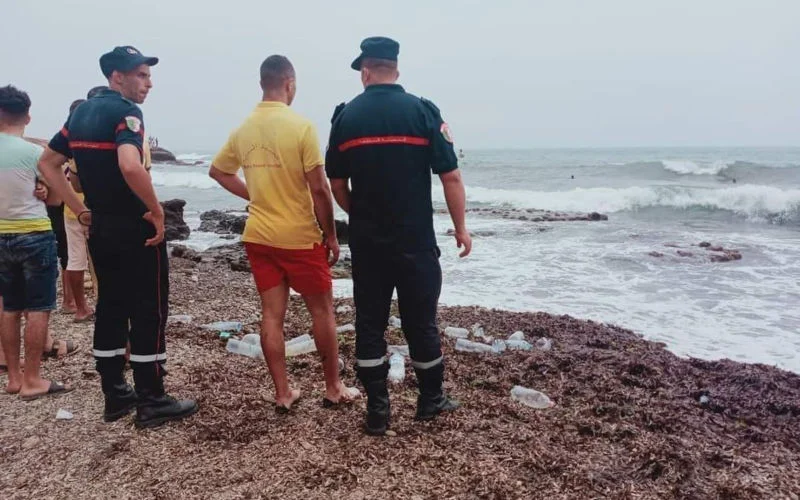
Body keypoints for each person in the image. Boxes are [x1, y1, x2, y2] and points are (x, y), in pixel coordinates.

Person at [37, 46, 197, 428]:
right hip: (134, 227)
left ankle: (115, 393)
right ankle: (152, 398)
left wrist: (79, 209)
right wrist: (156, 210)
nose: (149, 83)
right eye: (141, 75)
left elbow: (47, 162)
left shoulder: (80, 113)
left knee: (110, 306)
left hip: (101, 227)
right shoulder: (126, 113)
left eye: (148, 75)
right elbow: (130, 164)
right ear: (117, 76)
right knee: (148, 309)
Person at [326, 37, 472, 435]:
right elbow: (451, 176)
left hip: (370, 242)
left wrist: (357, 212)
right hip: (415, 241)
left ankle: (377, 409)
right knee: (420, 320)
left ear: (366, 71)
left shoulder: (346, 117)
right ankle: (430, 400)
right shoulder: (423, 112)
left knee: (370, 322)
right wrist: (460, 227)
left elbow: (336, 181)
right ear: (396, 70)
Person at [209, 55, 359, 411]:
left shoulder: (244, 128)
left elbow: (218, 171)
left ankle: (282, 393)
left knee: (271, 315)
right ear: (290, 84)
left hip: (259, 236)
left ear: (264, 84)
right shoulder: (301, 127)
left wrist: (255, 194)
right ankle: (333, 388)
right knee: (322, 312)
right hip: (299, 237)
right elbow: (320, 189)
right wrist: (332, 234)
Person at [0, 85, 74, 399]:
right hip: (34, 233)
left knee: (10, 307)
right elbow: (57, 200)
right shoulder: (35, 154)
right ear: (27, 116)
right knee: (39, 308)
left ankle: (14, 377)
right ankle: (32, 379)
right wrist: (44, 191)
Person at [62, 99, 94, 322]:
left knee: (75, 260)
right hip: (93, 208)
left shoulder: (65, 141)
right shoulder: (91, 138)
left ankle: (78, 306)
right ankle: (100, 304)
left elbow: (51, 168)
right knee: (98, 261)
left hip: (71, 208)